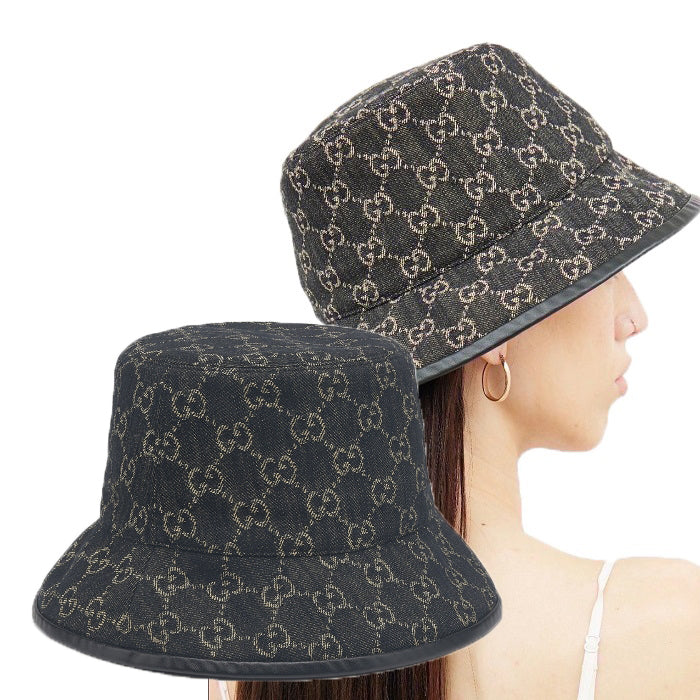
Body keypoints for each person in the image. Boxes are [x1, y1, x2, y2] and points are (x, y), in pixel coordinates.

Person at [279, 41, 700, 698]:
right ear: (496, 327)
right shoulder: (666, 624)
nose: (634, 315)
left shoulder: (250, 653)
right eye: (601, 267)